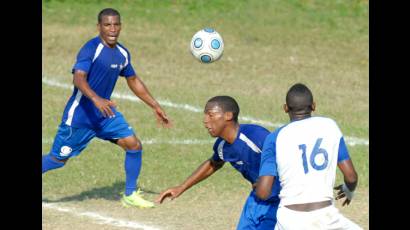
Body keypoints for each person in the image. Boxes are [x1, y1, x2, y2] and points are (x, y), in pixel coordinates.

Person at [42, 8, 172, 208]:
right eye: (107, 25)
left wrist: (155, 105)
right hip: (80, 117)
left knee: (134, 144)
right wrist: (96, 99)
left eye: (116, 24)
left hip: (105, 115)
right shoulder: (91, 48)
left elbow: (133, 79)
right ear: (99, 27)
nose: (113, 29)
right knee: (57, 160)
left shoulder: (122, 53)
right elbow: (78, 78)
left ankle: (129, 194)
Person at [156, 95, 281, 229]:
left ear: (228, 115)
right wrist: (181, 187)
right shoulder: (222, 146)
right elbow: (213, 164)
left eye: (210, 115)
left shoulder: (255, 135)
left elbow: (285, 156)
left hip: (279, 201)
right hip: (256, 201)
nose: (205, 121)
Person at [255, 83, 362, 229]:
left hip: (289, 220)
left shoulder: (275, 138)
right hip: (325, 217)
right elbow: (351, 177)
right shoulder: (329, 126)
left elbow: (263, 192)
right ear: (314, 106)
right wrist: (348, 190)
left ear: (285, 108)